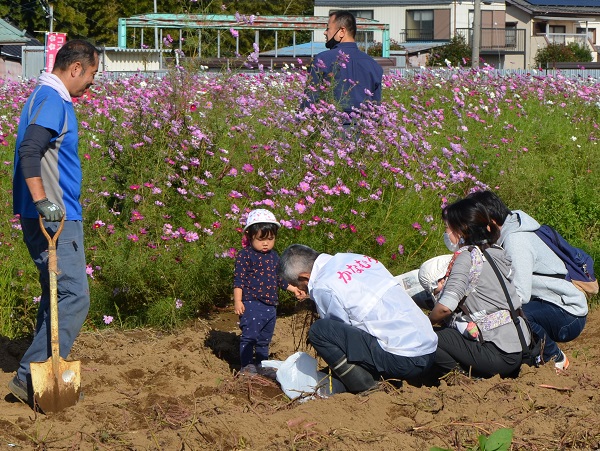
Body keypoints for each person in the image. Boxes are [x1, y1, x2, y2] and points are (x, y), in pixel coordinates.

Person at [10, 39, 100, 404]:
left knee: (56, 297)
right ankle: (28, 378)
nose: (91, 85)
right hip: (55, 218)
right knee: (75, 297)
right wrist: (44, 201)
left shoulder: (40, 95)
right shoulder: (53, 100)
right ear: (75, 67)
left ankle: (34, 372)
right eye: (91, 75)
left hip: (44, 215)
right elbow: (30, 150)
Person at [278, 244, 438, 393]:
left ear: (304, 277)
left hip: (403, 360)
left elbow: (340, 333)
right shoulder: (355, 258)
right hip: (429, 349)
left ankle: (368, 389)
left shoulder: (323, 285)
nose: (301, 290)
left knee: (320, 331)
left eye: (298, 285)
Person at [467, 190, 588, 370]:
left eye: (474, 225)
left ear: (491, 222)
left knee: (516, 314)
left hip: (567, 313)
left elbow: (520, 295)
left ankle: (555, 358)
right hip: (548, 303)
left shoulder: (516, 241)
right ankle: (531, 354)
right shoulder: (505, 234)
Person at [428, 197, 532, 380]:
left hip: (497, 355)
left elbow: (445, 307)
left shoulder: (466, 258)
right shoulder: (497, 252)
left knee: (426, 339)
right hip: (521, 347)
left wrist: (426, 322)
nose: (446, 234)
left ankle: (464, 378)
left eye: (447, 229)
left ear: (461, 231)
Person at [233, 209, 301, 376]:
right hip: (251, 303)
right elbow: (239, 280)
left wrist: (293, 289)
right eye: (261, 239)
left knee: (264, 339)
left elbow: (279, 279)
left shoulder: (274, 257)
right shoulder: (245, 256)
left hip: (271, 305)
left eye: (270, 239)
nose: (266, 243)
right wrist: (238, 301)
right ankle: (247, 367)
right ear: (250, 236)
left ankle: (261, 365)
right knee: (249, 337)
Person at [301, 10, 384, 118]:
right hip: (364, 129)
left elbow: (310, 99)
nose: (325, 33)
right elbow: (376, 107)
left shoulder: (323, 60)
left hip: (332, 128)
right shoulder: (373, 65)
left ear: (341, 32)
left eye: (328, 28)